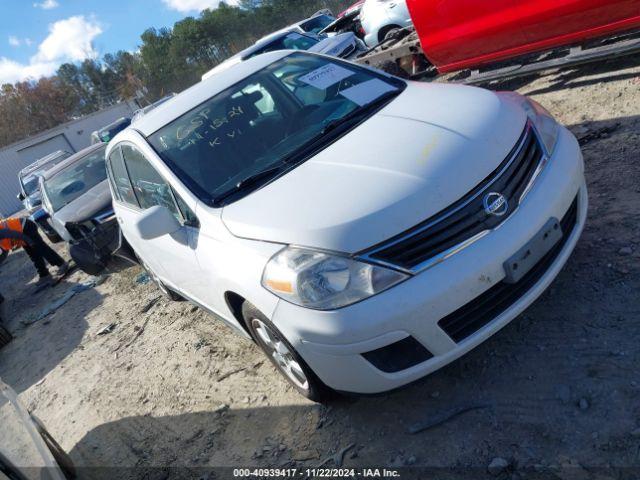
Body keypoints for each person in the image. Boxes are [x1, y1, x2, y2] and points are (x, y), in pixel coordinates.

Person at [0, 217, 68, 287]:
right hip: (22, 231)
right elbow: (4, 252)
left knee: (41, 248)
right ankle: (44, 275)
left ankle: (62, 264)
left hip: (26, 227)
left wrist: (30, 241)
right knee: (33, 255)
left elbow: (15, 234)